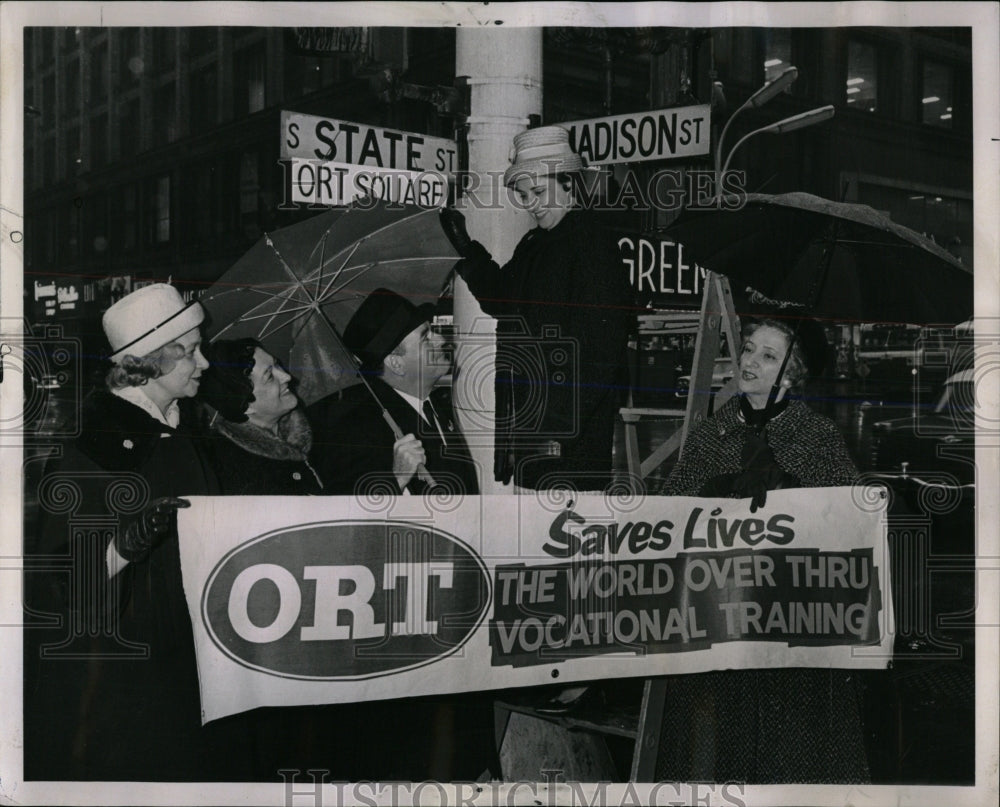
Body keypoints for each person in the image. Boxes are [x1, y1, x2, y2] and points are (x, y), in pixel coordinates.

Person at [24, 283, 254, 781]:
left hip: (185, 651)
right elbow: (58, 579)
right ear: (151, 362)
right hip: (125, 673)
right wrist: (121, 547)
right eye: (191, 352)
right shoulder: (99, 442)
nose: (205, 364)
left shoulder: (179, 426)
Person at [657, 315, 869, 784]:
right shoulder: (711, 436)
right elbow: (668, 514)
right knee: (712, 750)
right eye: (749, 348)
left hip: (787, 638)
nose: (748, 361)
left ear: (791, 376)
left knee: (783, 754)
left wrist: (798, 496)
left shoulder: (816, 439)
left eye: (767, 356)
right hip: (717, 626)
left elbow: (854, 530)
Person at [439, 124, 634, 492]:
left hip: (567, 441)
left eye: (540, 191)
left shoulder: (591, 243)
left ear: (569, 184)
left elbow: (599, 350)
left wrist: (558, 427)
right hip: (530, 431)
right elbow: (501, 299)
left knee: (563, 543)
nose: (532, 203)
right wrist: (467, 248)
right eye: (524, 195)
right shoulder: (535, 244)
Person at [308, 287, 480, 497]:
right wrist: (395, 479)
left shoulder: (438, 403)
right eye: (426, 337)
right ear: (396, 364)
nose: (441, 340)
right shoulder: (357, 430)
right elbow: (347, 513)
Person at [197, 338, 323, 495]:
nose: (286, 377)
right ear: (245, 405)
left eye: (277, 365)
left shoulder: (319, 425)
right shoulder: (227, 465)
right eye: (269, 376)